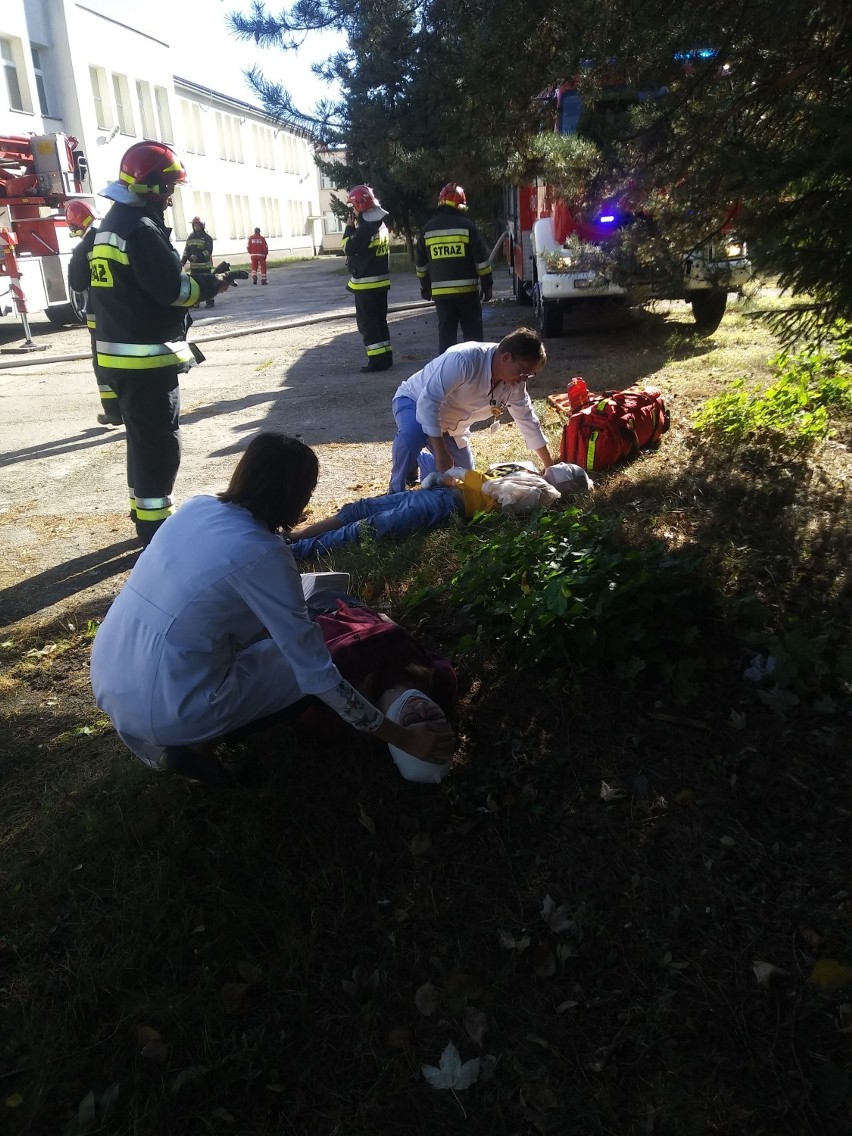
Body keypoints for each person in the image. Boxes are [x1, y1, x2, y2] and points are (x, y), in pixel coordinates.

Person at [89, 432, 455, 783]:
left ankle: (175, 751)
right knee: (316, 660)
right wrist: (404, 739)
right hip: (172, 707)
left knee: (255, 642)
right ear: (296, 497)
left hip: (110, 673)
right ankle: (195, 739)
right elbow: (317, 675)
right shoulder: (264, 553)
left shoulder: (195, 508)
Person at [87, 141, 232, 547]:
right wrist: (210, 285)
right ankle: (157, 532)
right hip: (146, 361)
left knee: (142, 443)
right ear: (148, 186)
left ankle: (143, 513)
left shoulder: (114, 224)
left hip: (121, 357)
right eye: (167, 188)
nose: (170, 198)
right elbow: (171, 289)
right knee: (160, 446)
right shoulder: (141, 229)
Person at [287, 462, 590, 561]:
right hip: (442, 492)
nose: (559, 467)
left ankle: (297, 551)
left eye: (565, 471)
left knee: (369, 525)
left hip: (449, 504)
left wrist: (470, 478)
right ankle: (297, 538)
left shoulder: (542, 493)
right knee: (360, 509)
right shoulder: (529, 470)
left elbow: (503, 497)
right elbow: (491, 479)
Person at [388, 326, 556, 493]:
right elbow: (428, 402)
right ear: (506, 357)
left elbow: (526, 419)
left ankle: (422, 459)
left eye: (529, 375)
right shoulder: (464, 360)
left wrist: (550, 469)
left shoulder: (515, 381)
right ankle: (395, 491)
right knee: (413, 434)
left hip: (450, 426)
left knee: (465, 481)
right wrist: (441, 453)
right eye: (522, 372)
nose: (524, 379)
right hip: (413, 401)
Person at [415, 183, 494, 353]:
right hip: (468, 294)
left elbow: (421, 265)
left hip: (442, 297)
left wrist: (425, 286)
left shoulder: (427, 230)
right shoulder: (468, 227)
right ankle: (476, 372)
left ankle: (446, 374)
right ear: (460, 204)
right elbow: (482, 261)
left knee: (446, 337)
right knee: (473, 338)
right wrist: (487, 285)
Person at [66, 199, 123, 428]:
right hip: (124, 313)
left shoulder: (82, 248)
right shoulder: (114, 237)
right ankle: (130, 408)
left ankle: (113, 411)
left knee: (103, 364)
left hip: (98, 318)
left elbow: (78, 284)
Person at [342, 184, 392, 373]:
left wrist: (349, 228)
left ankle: (377, 360)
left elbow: (348, 248)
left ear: (360, 206)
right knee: (380, 321)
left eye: (354, 207)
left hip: (366, 285)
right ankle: (386, 357)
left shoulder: (366, 229)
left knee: (368, 324)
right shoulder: (380, 224)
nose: (353, 211)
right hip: (381, 283)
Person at [180, 216, 215, 308]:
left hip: (205, 267)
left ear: (202, 226)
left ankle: (210, 301)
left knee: (207, 284)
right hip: (194, 267)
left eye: (197, 225)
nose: (196, 227)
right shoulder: (190, 237)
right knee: (195, 285)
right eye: (194, 225)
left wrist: (198, 257)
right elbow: (186, 251)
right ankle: (196, 302)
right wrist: (182, 262)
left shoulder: (207, 238)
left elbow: (208, 251)